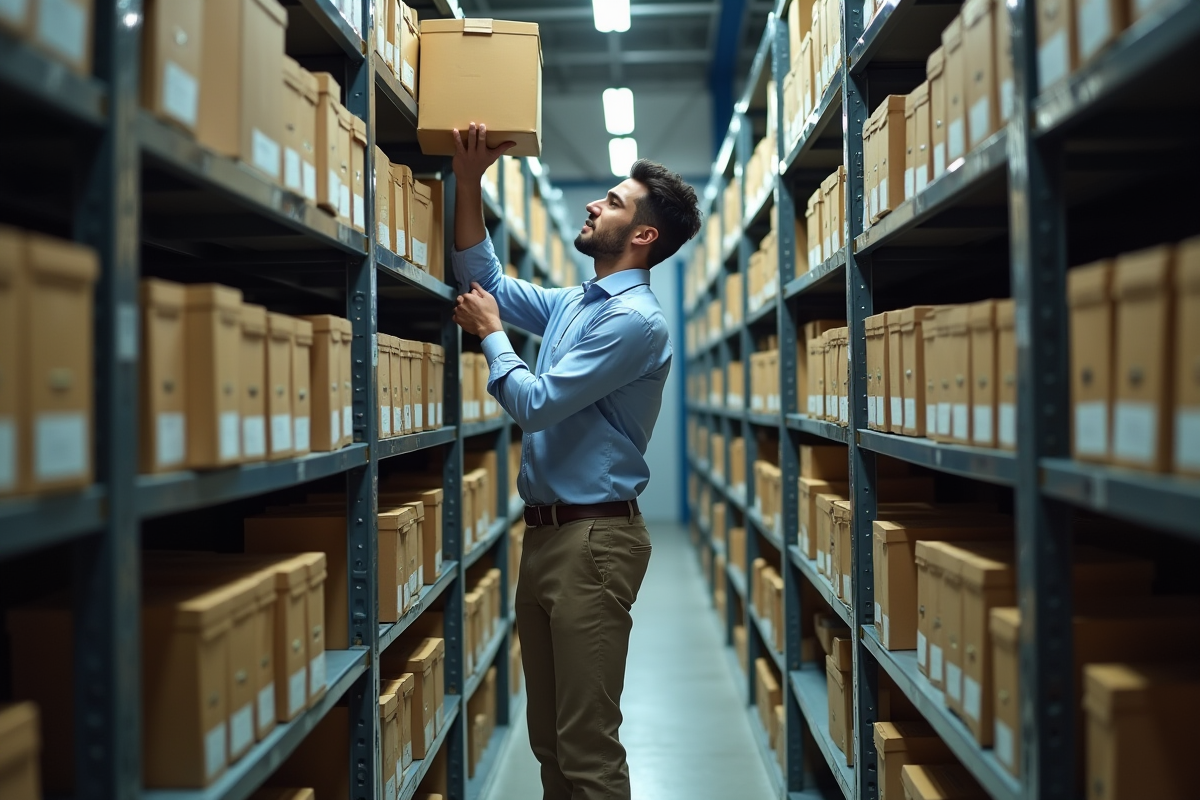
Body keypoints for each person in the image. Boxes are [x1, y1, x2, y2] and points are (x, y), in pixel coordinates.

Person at [449, 122, 702, 800]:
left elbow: (534, 404)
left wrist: (493, 336)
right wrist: (469, 181)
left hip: (593, 542)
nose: (594, 204)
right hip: (546, 534)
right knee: (550, 743)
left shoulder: (634, 322)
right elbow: (483, 279)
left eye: (613, 202)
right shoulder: (573, 305)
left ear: (643, 235)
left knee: (586, 746)